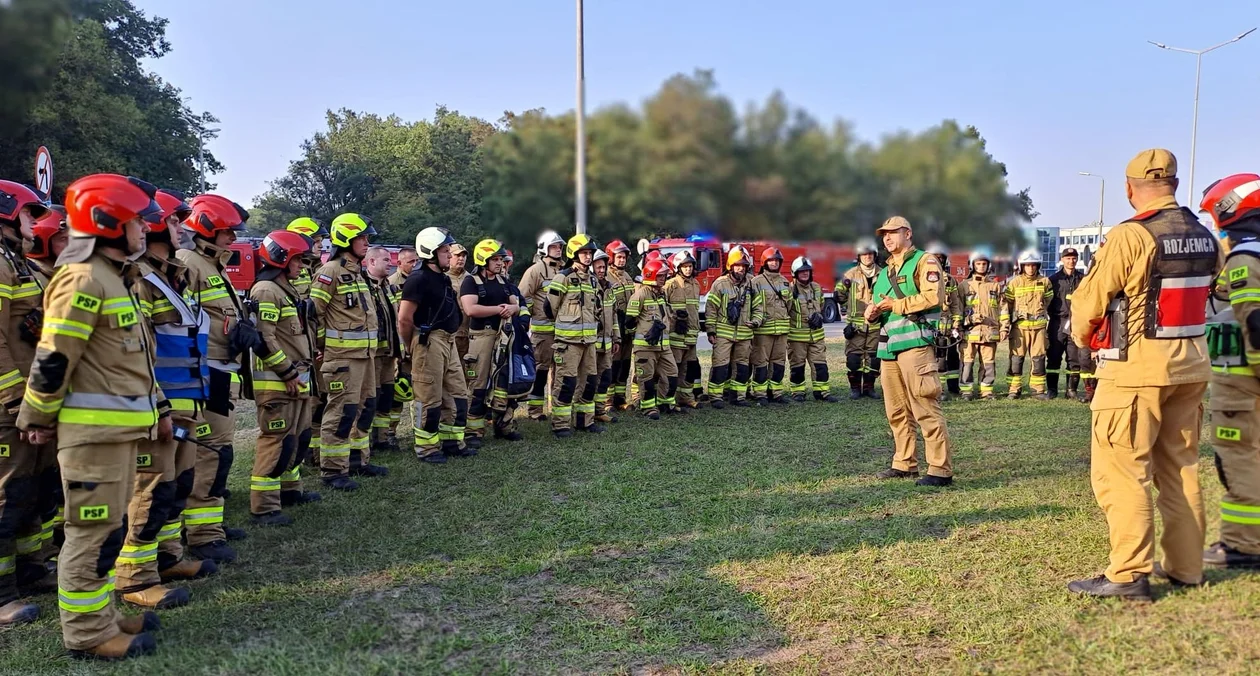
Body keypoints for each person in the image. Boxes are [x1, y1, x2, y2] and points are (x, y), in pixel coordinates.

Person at [18, 173, 164, 659]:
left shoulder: (111, 275)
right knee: (90, 534)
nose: (144, 229)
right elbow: (54, 356)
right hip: (91, 435)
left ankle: (104, 618)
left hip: (116, 433)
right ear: (107, 223)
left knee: (109, 532)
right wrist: (35, 417)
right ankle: (87, 635)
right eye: (135, 221)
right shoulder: (82, 277)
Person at [1067, 148, 1221, 601]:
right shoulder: (1205, 235)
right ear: (1173, 183)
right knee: (1181, 469)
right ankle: (1187, 567)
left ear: (1130, 188)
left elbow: (1089, 304)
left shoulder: (1130, 236)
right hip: (1190, 366)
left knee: (1122, 471)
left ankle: (1129, 573)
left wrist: (1080, 336)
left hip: (1135, 371)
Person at [115, 189, 217, 613]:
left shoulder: (172, 274)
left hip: (186, 399)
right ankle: (134, 578)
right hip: (161, 403)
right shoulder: (138, 278)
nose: (181, 228)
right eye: (175, 221)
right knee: (150, 490)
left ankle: (168, 557)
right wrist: (152, 403)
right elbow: (136, 348)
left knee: (176, 485)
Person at [176, 194, 255, 563]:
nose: (232, 240)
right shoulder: (190, 263)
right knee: (210, 454)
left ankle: (211, 526)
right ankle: (203, 535)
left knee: (219, 452)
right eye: (226, 233)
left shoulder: (211, 264)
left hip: (220, 370)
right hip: (207, 373)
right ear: (207, 229)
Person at [866, 216, 954, 488]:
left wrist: (897, 305)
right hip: (889, 349)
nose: (887, 238)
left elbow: (933, 297)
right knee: (896, 410)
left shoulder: (924, 261)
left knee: (924, 406)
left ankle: (940, 469)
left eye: (893, 233)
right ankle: (905, 463)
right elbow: (879, 305)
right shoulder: (883, 272)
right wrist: (870, 313)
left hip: (915, 346)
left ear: (908, 233)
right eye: (884, 234)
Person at [1201, 172, 1260, 570]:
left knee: (1239, 461)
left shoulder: (1244, 260)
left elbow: (1255, 325)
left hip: (1242, 388)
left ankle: (1244, 545)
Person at [0, 181, 52, 626]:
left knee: (34, 488)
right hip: (8, 403)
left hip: (29, 398)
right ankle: (1, 594)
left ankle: (32, 569)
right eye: (29, 214)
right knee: (7, 495)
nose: (35, 223)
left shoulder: (16, 262)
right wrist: (14, 395)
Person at [248, 230, 324, 529]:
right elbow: (264, 338)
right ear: (280, 259)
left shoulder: (286, 290)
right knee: (276, 441)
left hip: (298, 378)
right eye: (297, 260)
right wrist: (287, 372)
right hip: (277, 381)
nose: (302, 266)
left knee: (299, 436)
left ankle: (290, 491)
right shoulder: (266, 290)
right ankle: (264, 507)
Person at [310, 213, 379, 489]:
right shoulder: (330, 271)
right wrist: (318, 348)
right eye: (362, 237)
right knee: (341, 412)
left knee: (364, 408)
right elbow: (313, 314)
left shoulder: (357, 271)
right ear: (346, 239)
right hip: (342, 358)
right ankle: (333, 471)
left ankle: (357, 461)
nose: (366, 242)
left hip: (365, 356)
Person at [399, 227, 469, 462]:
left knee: (457, 393)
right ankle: (427, 448)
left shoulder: (443, 278)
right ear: (430, 251)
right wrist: (411, 346)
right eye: (445, 250)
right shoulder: (418, 280)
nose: (450, 255)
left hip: (448, 341)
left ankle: (453, 443)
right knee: (428, 397)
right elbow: (404, 319)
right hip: (428, 342)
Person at [461, 239, 525, 442]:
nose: (500, 263)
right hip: (482, 337)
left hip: (504, 337)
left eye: (501, 259)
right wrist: (500, 309)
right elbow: (470, 309)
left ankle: (504, 426)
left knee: (504, 383)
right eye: (495, 259)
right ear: (483, 260)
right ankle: (473, 432)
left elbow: (516, 305)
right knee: (478, 385)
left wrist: (513, 309)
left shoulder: (504, 282)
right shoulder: (471, 281)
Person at [546, 234, 604, 436]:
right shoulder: (563, 277)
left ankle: (584, 422)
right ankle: (560, 425)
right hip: (568, 343)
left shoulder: (593, 281)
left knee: (589, 382)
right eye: (584, 253)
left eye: (590, 253)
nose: (588, 257)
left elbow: (595, 309)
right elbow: (549, 308)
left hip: (589, 342)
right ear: (574, 254)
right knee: (566, 383)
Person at [705, 247, 762, 408]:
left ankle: (738, 397)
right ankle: (716, 397)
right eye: (738, 266)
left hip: (745, 333)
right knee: (720, 366)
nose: (741, 269)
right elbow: (711, 308)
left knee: (742, 367)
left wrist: (756, 321)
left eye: (744, 266)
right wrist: (711, 330)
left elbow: (759, 306)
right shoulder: (720, 284)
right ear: (730, 266)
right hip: (723, 333)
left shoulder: (752, 283)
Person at [519, 231, 565, 420]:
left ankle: (556, 406)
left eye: (560, 246)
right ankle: (535, 411)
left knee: (560, 371)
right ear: (544, 248)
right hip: (542, 331)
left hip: (562, 330)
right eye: (554, 246)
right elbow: (523, 296)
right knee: (541, 371)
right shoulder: (535, 271)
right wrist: (530, 316)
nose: (558, 249)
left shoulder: (563, 270)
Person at [627, 258, 678, 419]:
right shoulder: (640, 295)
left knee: (671, 374)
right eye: (661, 276)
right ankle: (648, 408)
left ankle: (665, 403)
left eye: (664, 275)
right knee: (646, 379)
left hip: (663, 346)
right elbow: (629, 322)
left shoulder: (661, 294)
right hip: (645, 347)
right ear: (651, 275)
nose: (664, 279)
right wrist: (648, 330)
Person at [364, 246, 401, 462]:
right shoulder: (363, 286)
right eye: (386, 260)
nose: (390, 263)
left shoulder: (387, 286)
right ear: (371, 262)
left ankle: (382, 438)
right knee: (372, 396)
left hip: (389, 351)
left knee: (387, 395)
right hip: (372, 352)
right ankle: (366, 440)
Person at [835, 240, 883, 399]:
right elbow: (839, 294)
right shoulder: (850, 274)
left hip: (875, 325)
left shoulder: (883, 274)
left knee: (874, 359)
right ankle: (855, 389)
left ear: (875, 255)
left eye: (870, 254)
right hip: (855, 327)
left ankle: (869, 388)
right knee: (854, 360)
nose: (867, 257)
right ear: (859, 256)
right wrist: (846, 305)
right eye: (864, 254)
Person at [1003, 250, 1054, 400]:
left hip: (1038, 328)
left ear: (1037, 266)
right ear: (1022, 266)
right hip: (1019, 327)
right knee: (1016, 359)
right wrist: (1006, 325)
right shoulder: (1014, 283)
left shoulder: (1045, 282)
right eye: (1027, 265)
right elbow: (1008, 306)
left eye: (1033, 265)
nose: (1030, 268)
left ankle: (1038, 390)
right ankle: (1014, 389)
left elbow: (1048, 301)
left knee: (1038, 359)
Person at [786, 256, 836, 402]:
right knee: (797, 367)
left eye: (807, 271)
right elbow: (785, 312)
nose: (805, 274)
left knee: (820, 365)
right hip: (796, 338)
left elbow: (820, 306)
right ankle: (798, 393)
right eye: (802, 272)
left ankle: (822, 392)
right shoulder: (789, 290)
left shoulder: (816, 287)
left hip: (816, 336)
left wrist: (819, 316)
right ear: (795, 273)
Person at [958, 250, 1006, 401]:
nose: (981, 266)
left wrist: (1004, 328)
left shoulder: (995, 286)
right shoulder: (964, 286)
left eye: (984, 264)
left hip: (989, 332)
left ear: (988, 265)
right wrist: (959, 327)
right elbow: (958, 308)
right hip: (969, 332)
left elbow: (1003, 309)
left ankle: (986, 391)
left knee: (988, 363)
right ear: (972, 265)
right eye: (978, 264)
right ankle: (966, 391)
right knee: (967, 362)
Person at [1047, 248, 1092, 401]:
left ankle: (1071, 390)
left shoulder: (1083, 279)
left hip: (1076, 323)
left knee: (1074, 359)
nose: (1071, 261)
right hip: (1057, 323)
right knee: (1053, 357)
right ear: (1062, 260)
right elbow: (1047, 301)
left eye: (1073, 258)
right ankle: (1052, 390)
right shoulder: (1053, 280)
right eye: (1068, 258)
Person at [751, 247, 792, 405]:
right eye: (771, 260)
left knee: (779, 363)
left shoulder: (785, 282)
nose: (774, 263)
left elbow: (789, 305)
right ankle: (760, 394)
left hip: (781, 331)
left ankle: (776, 394)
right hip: (763, 330)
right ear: (764, 262)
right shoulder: (756, 282)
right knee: (761, 363)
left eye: (777, 261)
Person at [663, 250, 703, 408]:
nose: (688, 269)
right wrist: (673, 317)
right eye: (685, 266)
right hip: (676, 335)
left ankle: (686, 397)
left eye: (690, 266)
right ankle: (670, 398)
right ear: (678, 268)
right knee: (674, 368)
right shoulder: (670, 284)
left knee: (689, 368)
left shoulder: (696, 284)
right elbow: (663, 307)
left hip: (692, 335)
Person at [927, 243, 964, 399]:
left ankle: (953, 388)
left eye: (941, 258)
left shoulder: (950, 280)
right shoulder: (924, 279)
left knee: (953, 358)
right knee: (938, 359)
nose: (938, 260)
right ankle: (939, 390)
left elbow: (955, 304)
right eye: (935, 257)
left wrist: (957, 323)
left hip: (949, 328)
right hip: (932, 327)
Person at [604, 240, 637, 409]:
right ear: (611, 257)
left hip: (627, 328)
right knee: (613, 364)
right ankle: (608, 401)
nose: (622, 260)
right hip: (614, 327)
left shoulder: (627, 277)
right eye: (619, 257)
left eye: (624, 257)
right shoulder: (606, 276)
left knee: (625, 364)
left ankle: (620, 399)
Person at [591, 249, 621, 422]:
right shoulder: (588, 287)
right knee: (589, 380)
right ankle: (586, 413)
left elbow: (614, 315)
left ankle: (600, 411)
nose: (601, 270)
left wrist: (616, 338)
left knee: (606, 378)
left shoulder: (609, 289)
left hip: (607, 343)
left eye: (604, 267)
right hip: (591, 343)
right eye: (598, 267)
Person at [284, 217, 328, 299]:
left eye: (321, 241)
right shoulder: (287, 271)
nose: (321, 246)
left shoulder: (322, 268)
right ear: (300, 241)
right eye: (316, 241)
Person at [448, 243, 472, 361]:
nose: (461, 258)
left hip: (468, 334)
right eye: (457, 255)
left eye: (464, 256)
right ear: (449, 256)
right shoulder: (442, 277)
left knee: (468, 370)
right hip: (449, 335)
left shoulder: (471, 278)